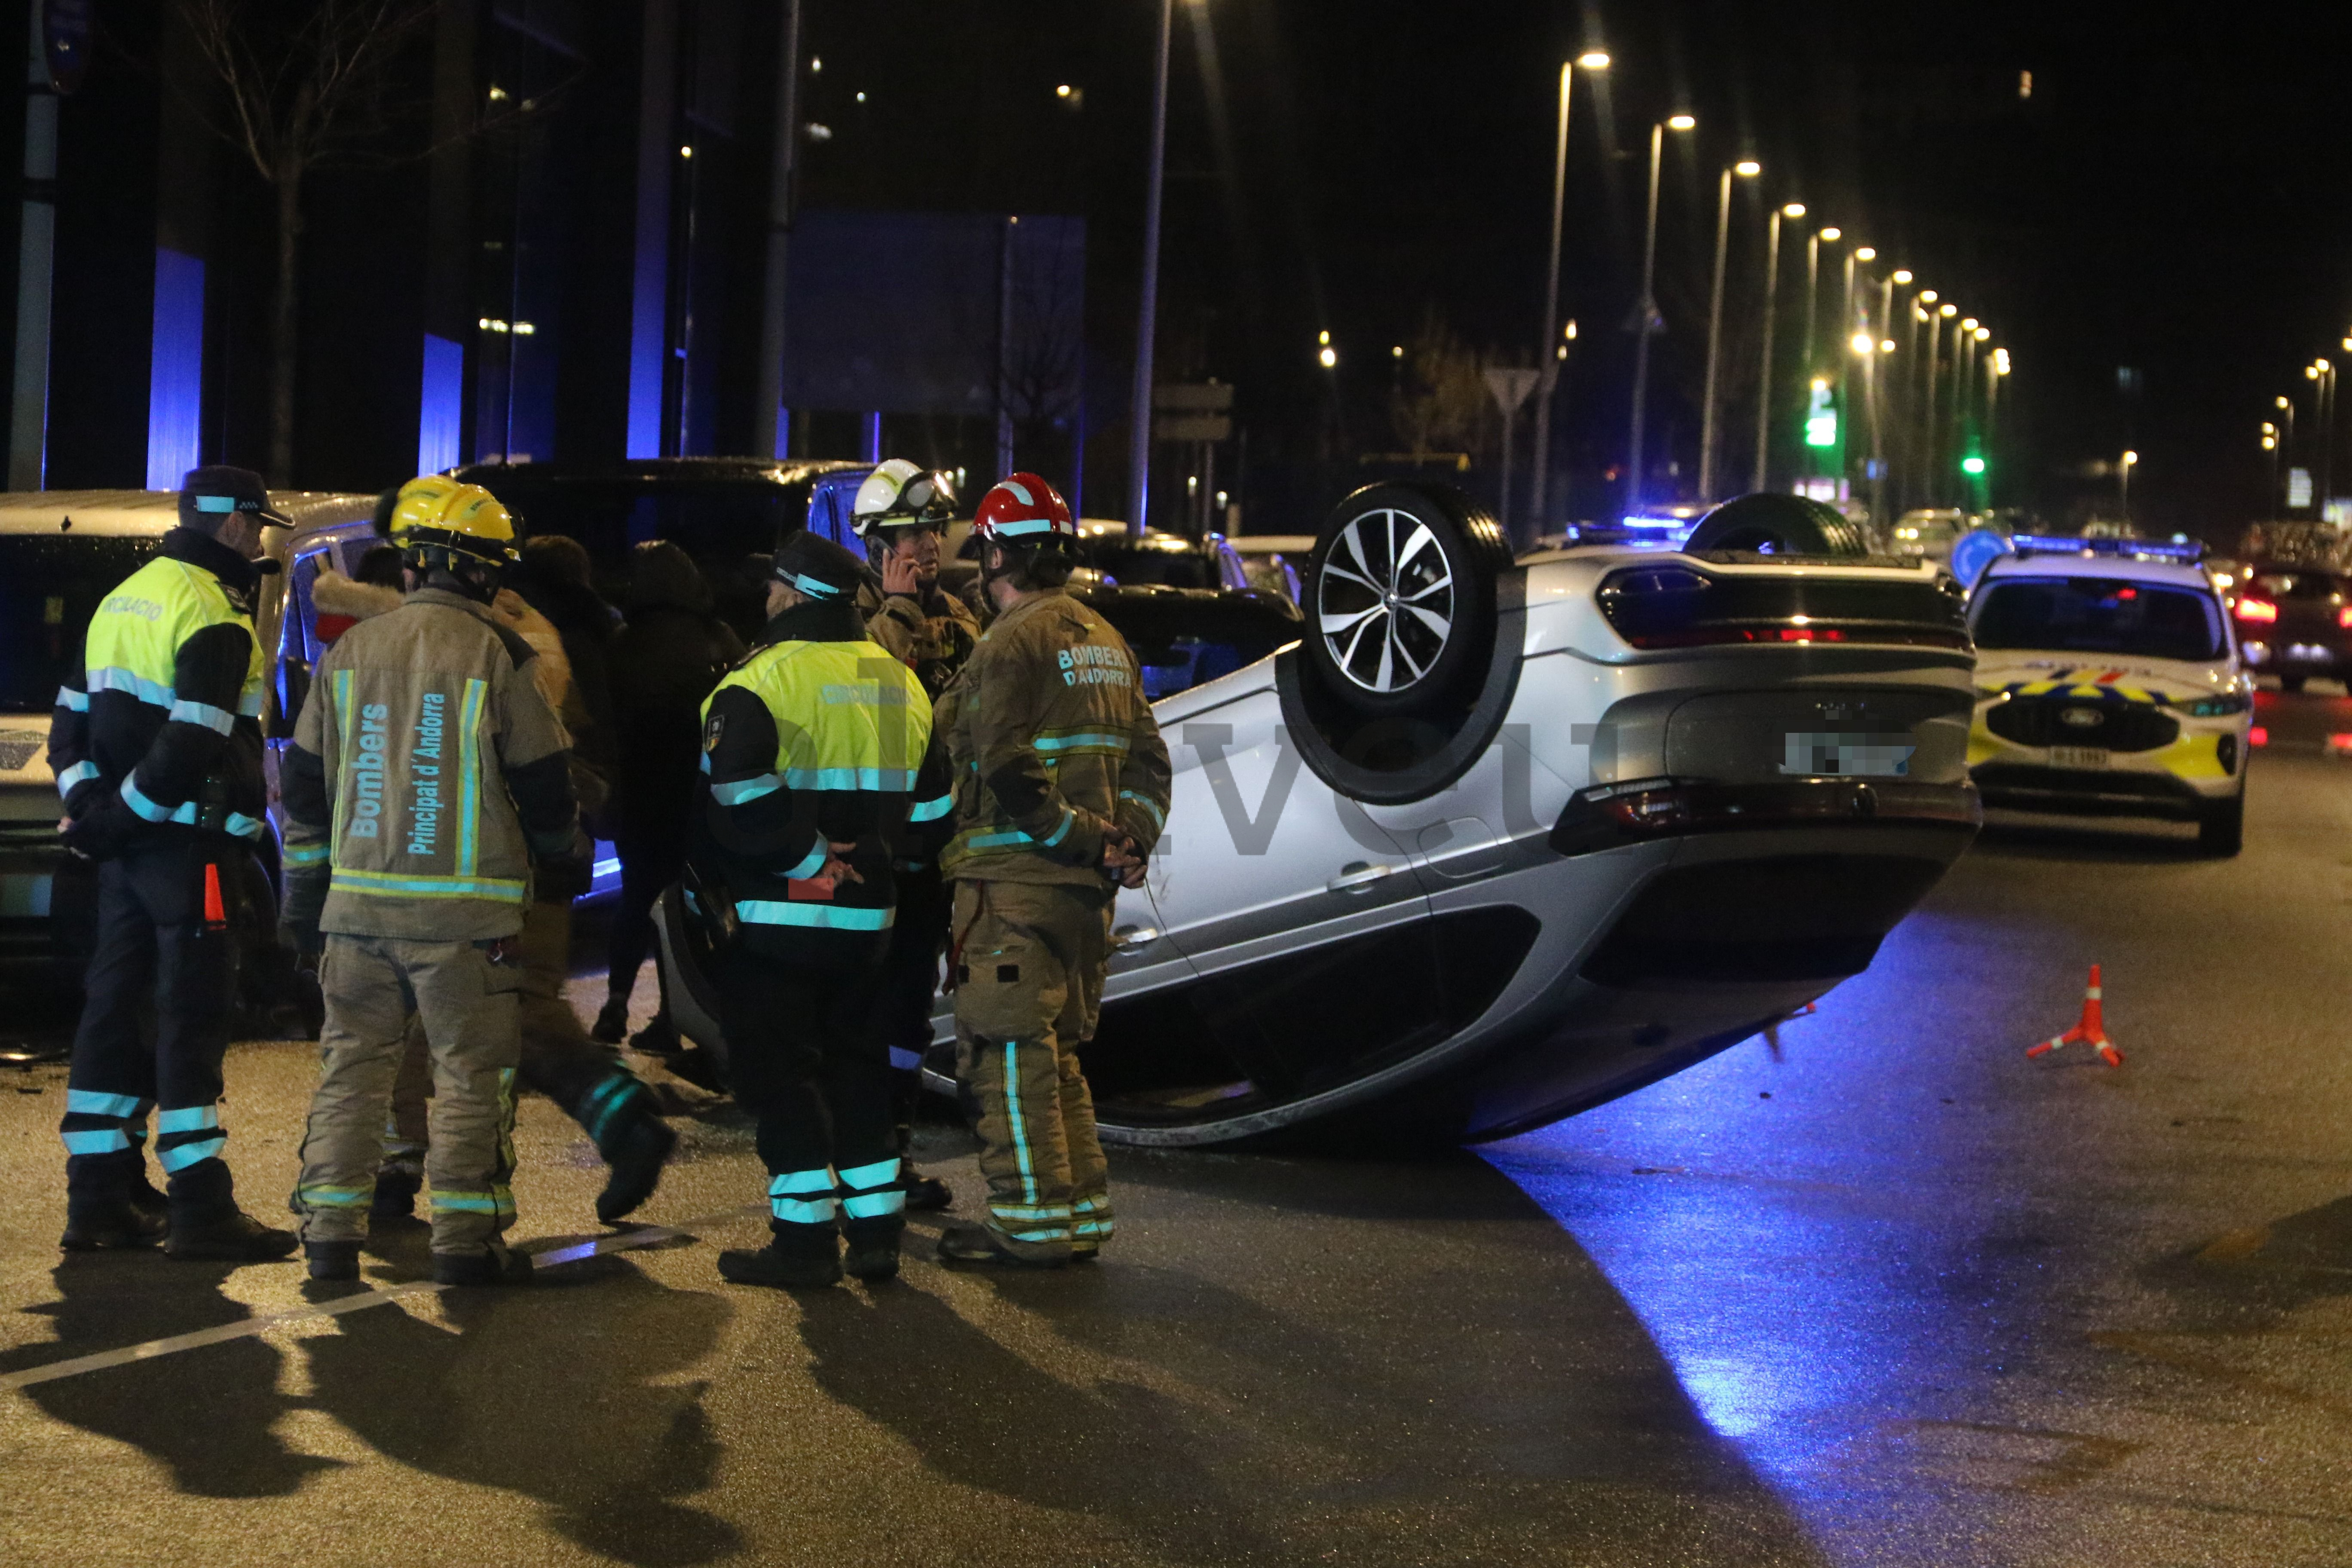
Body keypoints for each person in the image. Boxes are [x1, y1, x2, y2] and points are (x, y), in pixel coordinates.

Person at [316, 485, 677, 1228]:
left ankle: (625, 1125)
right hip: (494, 857)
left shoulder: (500, 635)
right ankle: (400, 1170)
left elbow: (529, 762)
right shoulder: (507, 621)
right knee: (433, 1020)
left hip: (508, 862)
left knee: (515, 1021)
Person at [279, 482, 577, 1287]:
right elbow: (546, 783)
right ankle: (463, 1243)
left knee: (353, 1072)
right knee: (471, 1080)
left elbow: (303, 794)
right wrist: (564, 861)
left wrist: (303, 906)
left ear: (414, 566)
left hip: (358, 915)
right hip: (467, 925)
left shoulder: (347, 655)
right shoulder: (498, 655)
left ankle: (331, 1239)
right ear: (475, 573)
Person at [45, 466, 301, 1261]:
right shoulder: (212, 612)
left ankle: (99, 1199)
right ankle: (201, 1206)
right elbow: (193, 739)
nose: (260, 539)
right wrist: (131, 818)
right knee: (192, 1021)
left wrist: (96, 817)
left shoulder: (123, 598)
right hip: (191, 852)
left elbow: (67, 731)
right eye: (255, 525)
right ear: (228, 525)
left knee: (112, 1012)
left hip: (126, 859)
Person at [689, 530, 954, 1290]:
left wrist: (811, 862)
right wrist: (874, 865)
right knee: (860, 1072)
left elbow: (733, 795)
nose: (765, 596)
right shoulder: (900, 681)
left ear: (795, 595)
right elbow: (934, 816)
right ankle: (876, 1234)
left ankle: (803, 1245)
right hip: (869, 928)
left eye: (771, 586)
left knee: (782, 1078)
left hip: (779, 920)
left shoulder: (761, 680)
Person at [934, 474, 1170, 1268]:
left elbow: (1001, 759)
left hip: (1016, 883)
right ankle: (1076, 1214)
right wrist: (1129, 837)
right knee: (1057, 1054)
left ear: (1000, 552)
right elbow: (1148, 758)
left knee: (1005, 1053)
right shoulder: (1106, 640)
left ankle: (1027, 1222)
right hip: (1083, 898)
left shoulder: (1011, 641)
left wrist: (1078, 837)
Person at [849, 460, 982, 1213]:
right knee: (862, 1014)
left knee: (907, 1011)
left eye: (931, 530)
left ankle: (890, 1156)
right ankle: (858, 1159)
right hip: (870, 856)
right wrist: (898, 608)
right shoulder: (853, 619)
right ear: (875, 544)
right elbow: (871, 698)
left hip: (934, 856)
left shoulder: (962, 619)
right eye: (908, 534)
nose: (927, 546)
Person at [595, 539, 745, 1050]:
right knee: (692, 906)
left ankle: (616, 1003)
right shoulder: (718, 639)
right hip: (701, 795)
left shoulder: (624, 642)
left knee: (637, 898)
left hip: (642, 795)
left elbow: (607, 720)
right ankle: (676, 1013)